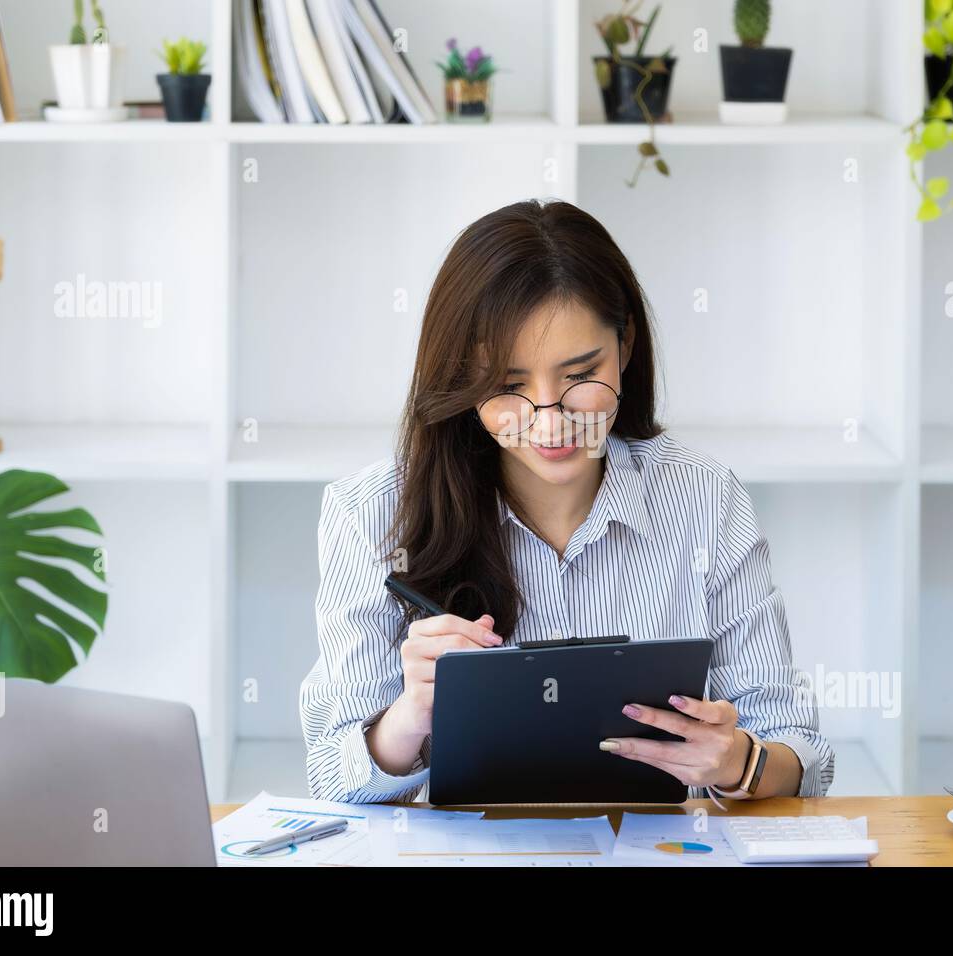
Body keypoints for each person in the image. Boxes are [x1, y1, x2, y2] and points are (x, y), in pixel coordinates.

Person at [299, 198, 833, 805]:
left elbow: (804, 756)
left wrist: (740, 762)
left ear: (626, 345)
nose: (550, 425)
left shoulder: (704, 497)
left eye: (581, 376)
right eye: (507, 387)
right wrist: (409, 719)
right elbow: (328, 779)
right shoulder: (369, 515)